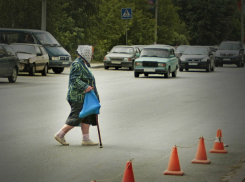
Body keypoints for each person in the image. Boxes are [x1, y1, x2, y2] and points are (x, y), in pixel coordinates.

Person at [54, 45, 99, 146]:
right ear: (85, 53)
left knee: (86, 115)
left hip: (85, 96)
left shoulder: (83, 64)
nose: (92, 56)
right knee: (78, 116)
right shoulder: (77, 64)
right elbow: (74, 78)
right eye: (91, 54)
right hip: (77, 96)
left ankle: (86, 139)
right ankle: (60, 134)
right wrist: (85, 86)